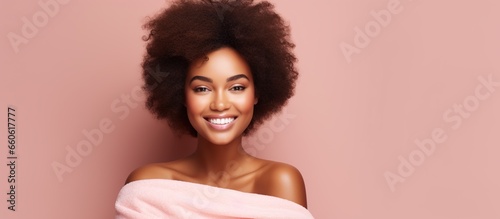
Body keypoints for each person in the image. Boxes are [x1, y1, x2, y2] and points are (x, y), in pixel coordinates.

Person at [115, 0, 314, 218]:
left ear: (257, 93)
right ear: (181, 94)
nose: (219, 104)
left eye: (237, 87)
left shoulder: (280, 181)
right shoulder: (147, 186)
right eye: (202, 89)